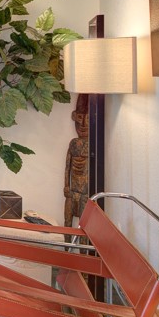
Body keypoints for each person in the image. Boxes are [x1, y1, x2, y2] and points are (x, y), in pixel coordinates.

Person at [63, 94, 90, 227]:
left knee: (84, 225)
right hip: (72, 191)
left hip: (85, 193)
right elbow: (67, 166)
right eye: (79, 117)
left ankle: (83, 249)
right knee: (67, 221)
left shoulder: (93, 145)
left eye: (88, 119)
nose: (83, 124)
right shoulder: (73, 143)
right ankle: (64, 248)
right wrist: (66, 185)